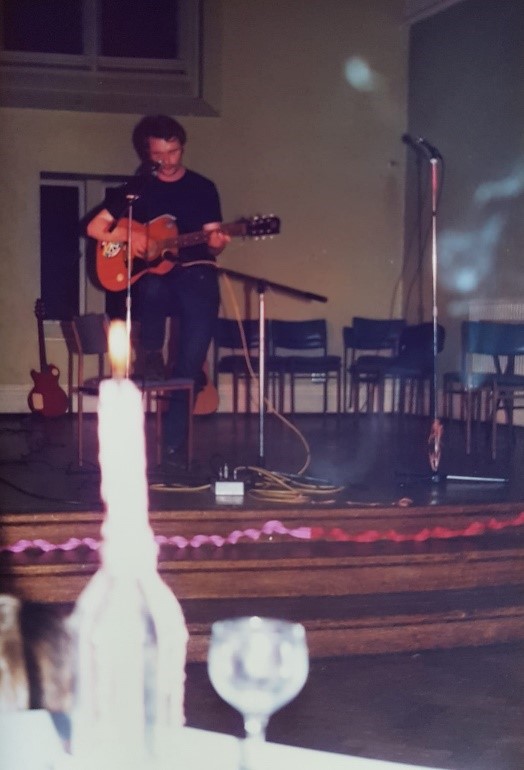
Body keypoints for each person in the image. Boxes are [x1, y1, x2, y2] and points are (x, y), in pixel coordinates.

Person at [87, 114, 230, 463]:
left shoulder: (202, 187)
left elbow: (213, 242)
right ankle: (150, 351)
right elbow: (95, 227)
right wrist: (131, 234)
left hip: (196, 274)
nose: (166, 161)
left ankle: (173, 443)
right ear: (147, 152)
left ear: (182, 147)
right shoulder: (137, 189)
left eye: (173, 152)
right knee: (150, 285)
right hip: (159, 279)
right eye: (158, 155)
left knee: (188, 366)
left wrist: (217, 242)